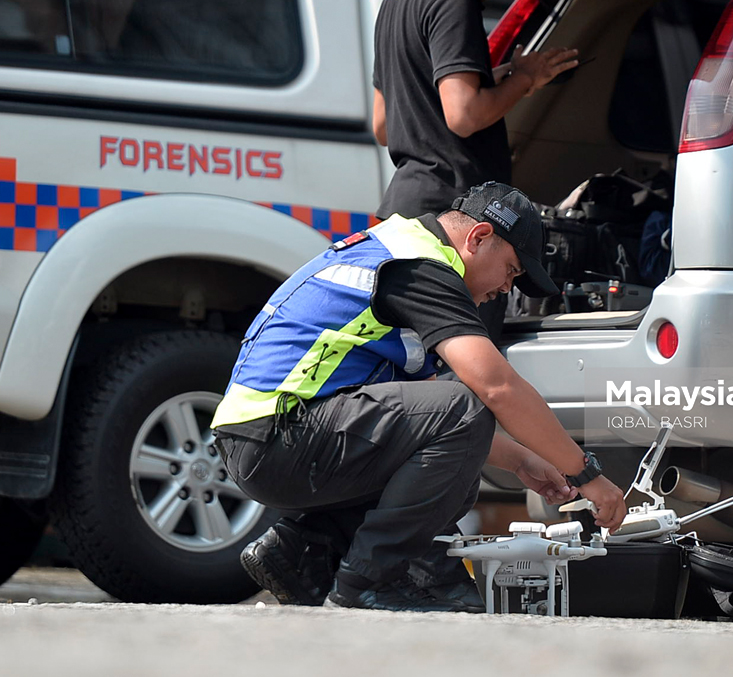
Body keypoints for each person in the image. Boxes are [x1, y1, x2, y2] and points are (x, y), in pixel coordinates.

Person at [210, 183, 628, 613]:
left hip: (270, 435)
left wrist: (522, 461)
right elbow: (497, 388)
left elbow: (428, 423)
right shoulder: (419, 266)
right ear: (478, 237)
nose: (508, 287)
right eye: (512, 269)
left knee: (456, 450)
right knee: (465, 410)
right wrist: (586, 476)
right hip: (282, 433)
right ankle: (374, 581)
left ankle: (303, 550)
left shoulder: (399, 249)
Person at [372, 0, 578, 221]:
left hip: (405, 211)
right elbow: (465, 116)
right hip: (452, 216)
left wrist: (489, 81)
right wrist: (525, 78)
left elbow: (384, 126)